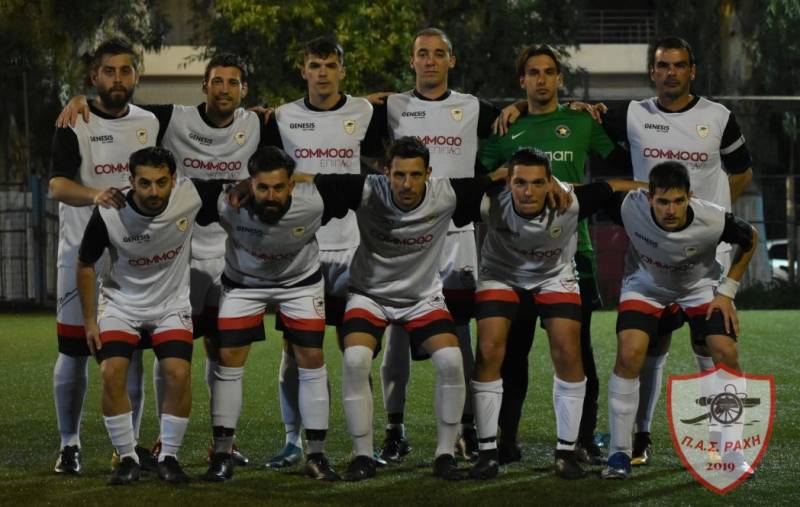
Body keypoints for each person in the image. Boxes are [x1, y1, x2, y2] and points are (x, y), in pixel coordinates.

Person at [57, 52, 275, 467]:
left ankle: (223, 442)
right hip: (178, 256)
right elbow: (115, 106)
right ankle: (155, 443)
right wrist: (81, 99)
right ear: (203, 86)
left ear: (244, 90)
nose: (224, 89)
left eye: (233, 83)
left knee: (225, 352)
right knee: (167, 350)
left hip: (232, 255)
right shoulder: (171, 117)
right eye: (217, 81)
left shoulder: (260, 124)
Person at [300, 136, 505, 481]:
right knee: (355, 359)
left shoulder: (447, 193)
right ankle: (362, 455)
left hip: (422, 298)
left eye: (415, 175)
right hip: (369, 295)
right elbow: (314, 180)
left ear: (429, 173)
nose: (407, 184)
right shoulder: (367, 190)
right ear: (385, 173)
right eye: (399, 175)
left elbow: (496, 179)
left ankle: (444, 455)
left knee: (452, 361)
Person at [368, 27, 501, 462]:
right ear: (412, 61)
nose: (429, 61)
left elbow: (519, 122)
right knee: (395, 330)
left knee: (460, 332)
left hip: (456, 235)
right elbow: (344, 128)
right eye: (422, 54)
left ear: (451, 60)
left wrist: (521, 107)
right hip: (404, 235)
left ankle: (465, 428)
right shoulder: (391, 106)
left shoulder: (474, 107)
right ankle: (395, 429)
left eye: (438, 54)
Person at [479, 45, 616, 465]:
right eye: (533, 72)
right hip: (514, 256)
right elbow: (481, 176)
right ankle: (506, 439)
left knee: (578, 352)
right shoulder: (506, 126)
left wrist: (597, 112)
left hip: (574, 251)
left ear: (559, 78)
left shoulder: (580, 121)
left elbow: (616, 159)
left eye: (549, 72)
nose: (542, 79)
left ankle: (582, 440)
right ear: (522, 80)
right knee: (511, 353)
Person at [470, 147, 644, 480]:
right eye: (520, 182)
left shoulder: (572, 201)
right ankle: (487, 453)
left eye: (538, 183)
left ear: (550, 182)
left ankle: (566, 453)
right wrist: (491, 178)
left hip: (554, 275)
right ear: (507, 182)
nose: (528, 191)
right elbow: (449, 192)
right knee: (489, 349)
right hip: (501, 274)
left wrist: (657, 190)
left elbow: (614, 186)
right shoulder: (488, 202)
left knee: (568, 351)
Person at [259, 36, 384, 468]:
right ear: (304, 70)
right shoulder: (281, 117)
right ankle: (293, 440)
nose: (323, 72)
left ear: (342, 71)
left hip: (352, 247)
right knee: (296, 349)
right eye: (315, 65)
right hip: (303, 248)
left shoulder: (365, 111)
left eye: (331, 65)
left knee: (356, 352)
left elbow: (392, 137)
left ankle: (363, 444)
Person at [600, 161, 757, 479]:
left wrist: (727, 292)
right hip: (645, 286)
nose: (671, 210)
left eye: (678, 201)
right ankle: (619, 453)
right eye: (662, 201)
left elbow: (750, 238)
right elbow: (600, 191)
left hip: (699, 288)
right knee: (629, 353)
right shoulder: (630, 207)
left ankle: (730, 449)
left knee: (725, 351)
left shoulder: (713, 218)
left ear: (690, 197)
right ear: (649, 198)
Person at [76, 147, 221, 484]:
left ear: (174, 179)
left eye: (161, 182)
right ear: (131, 181)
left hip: (171, 305)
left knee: (178, 373)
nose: (154, 191)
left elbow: (241, 188)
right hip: (121, 305)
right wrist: (90, 321)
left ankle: (168, 456)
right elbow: (84, 263)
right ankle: (127, 458)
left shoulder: (191, 194)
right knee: (111, 371)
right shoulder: (109, 212)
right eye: (144, 183)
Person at [49, 38, 159, 475]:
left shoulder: (151, 121)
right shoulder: (73, 120)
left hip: (132, 260)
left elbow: (204, 120)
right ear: (94, 76)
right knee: (73, 351)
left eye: (125, 71)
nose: (118, 79)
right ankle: (69, 445)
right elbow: (57, 186)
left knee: (131, 355)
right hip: (80, 256)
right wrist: (96, 194)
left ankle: (126, 449)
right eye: (109, 71)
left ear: (136, 76)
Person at [201, 147, 341, 482]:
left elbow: (356, 184)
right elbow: (182, 189)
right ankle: (222, 454)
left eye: (279, 187)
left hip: (300, 284)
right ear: (250, 184)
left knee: (311, 358)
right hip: (243, 284)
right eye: (262, 187)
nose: (270, 196)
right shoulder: (225, 203)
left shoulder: (316, 201)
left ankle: (317, 456)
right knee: (228, 359)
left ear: (292, 185)